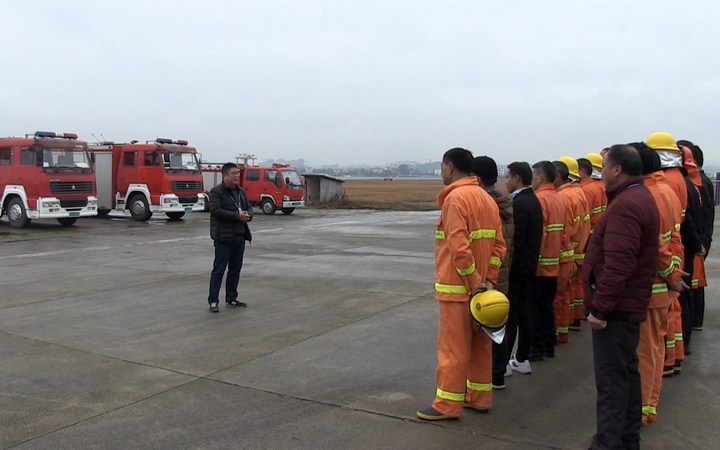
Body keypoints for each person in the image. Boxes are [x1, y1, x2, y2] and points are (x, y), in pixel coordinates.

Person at [417, 148, 506, 421]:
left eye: (442, 167)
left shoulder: (455, 199)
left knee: (452, 349)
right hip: (482, 294)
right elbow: (499, 247)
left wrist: (474, 283)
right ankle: (480, 397)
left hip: (459, 292)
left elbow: (459, 247)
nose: (442, 172)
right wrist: (488, 281)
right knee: (481, 346)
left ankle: (446, 405)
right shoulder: (487, 199)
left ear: (450, 167)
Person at [583, 144, 660, 450]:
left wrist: (600, 309)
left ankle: (608, 443)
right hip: (626, 307)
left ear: (618, 170)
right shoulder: (637, 196)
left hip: (616, 310)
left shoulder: (626, 204)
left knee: (612, 382)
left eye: (604, 167)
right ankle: (627, 440)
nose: (601, 174)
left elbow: (619, 263)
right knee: (626, 375)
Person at [634, 144, 687, 426]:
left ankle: (642, 408)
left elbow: (657, 246)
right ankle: (649, 406)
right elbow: (675, 239)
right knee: (654, 349)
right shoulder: (667, 191)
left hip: (651, 288)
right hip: (663, 289)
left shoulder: (649, 195)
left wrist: (670, 273)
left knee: (644, 352)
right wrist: (674, 274)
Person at [471, 156, 514, 390]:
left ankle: (492, 374)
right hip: (502, 270)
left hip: (488, 275)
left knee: (485, 327)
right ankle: (499, 372)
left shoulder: (484, 205)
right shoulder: (506, 202)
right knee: (498, 324)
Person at [504, 162, 543, 376]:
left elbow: (515, 241)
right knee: (525, 312)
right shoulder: (533, 199)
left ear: (517, 178)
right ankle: (522, 357)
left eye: (508, 177)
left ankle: (507, 359)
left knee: (512, 315)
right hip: (529, 266)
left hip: (518, 268)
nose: (506, 181)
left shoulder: (519, 204)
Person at [529, 161, 565, 361]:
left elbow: (539, 234)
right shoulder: (558, 198)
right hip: (554, 263)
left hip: (541, 266)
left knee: (536, 308)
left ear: (540, 178)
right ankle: (549, 345)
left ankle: (537, 349)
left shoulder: (540, 199)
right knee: (547, 307)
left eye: (533, 177)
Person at [207, 162, 254, 313]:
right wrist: (236, 216)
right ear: (224, 175)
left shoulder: (240, 192)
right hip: (224, 237)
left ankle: (231, 297)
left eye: (238, 173)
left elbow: (249, 207)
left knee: (235, 269)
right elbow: (215, 210)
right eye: (233, 173)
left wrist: (248, 215)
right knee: (219, 269)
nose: (236, 176)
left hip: (240, 235)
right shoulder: (216, 192)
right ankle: (213, 300)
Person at [552, 158, 590, 341]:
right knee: (566, 293)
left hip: (564, 253)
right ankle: (564, 329)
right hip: (576, 251)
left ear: (558, 176)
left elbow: (563, 231)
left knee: (558, 296)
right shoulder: (579, 192)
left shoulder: (563, 197)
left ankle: (558, 332)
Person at [678, 140, 714, 330]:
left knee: (692, 286)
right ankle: (694, 322)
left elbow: (699, 216)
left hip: (696, 242)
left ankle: (694, 322)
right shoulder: (697, 183)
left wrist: (699, 243)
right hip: (698, 240)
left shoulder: (699, 184)